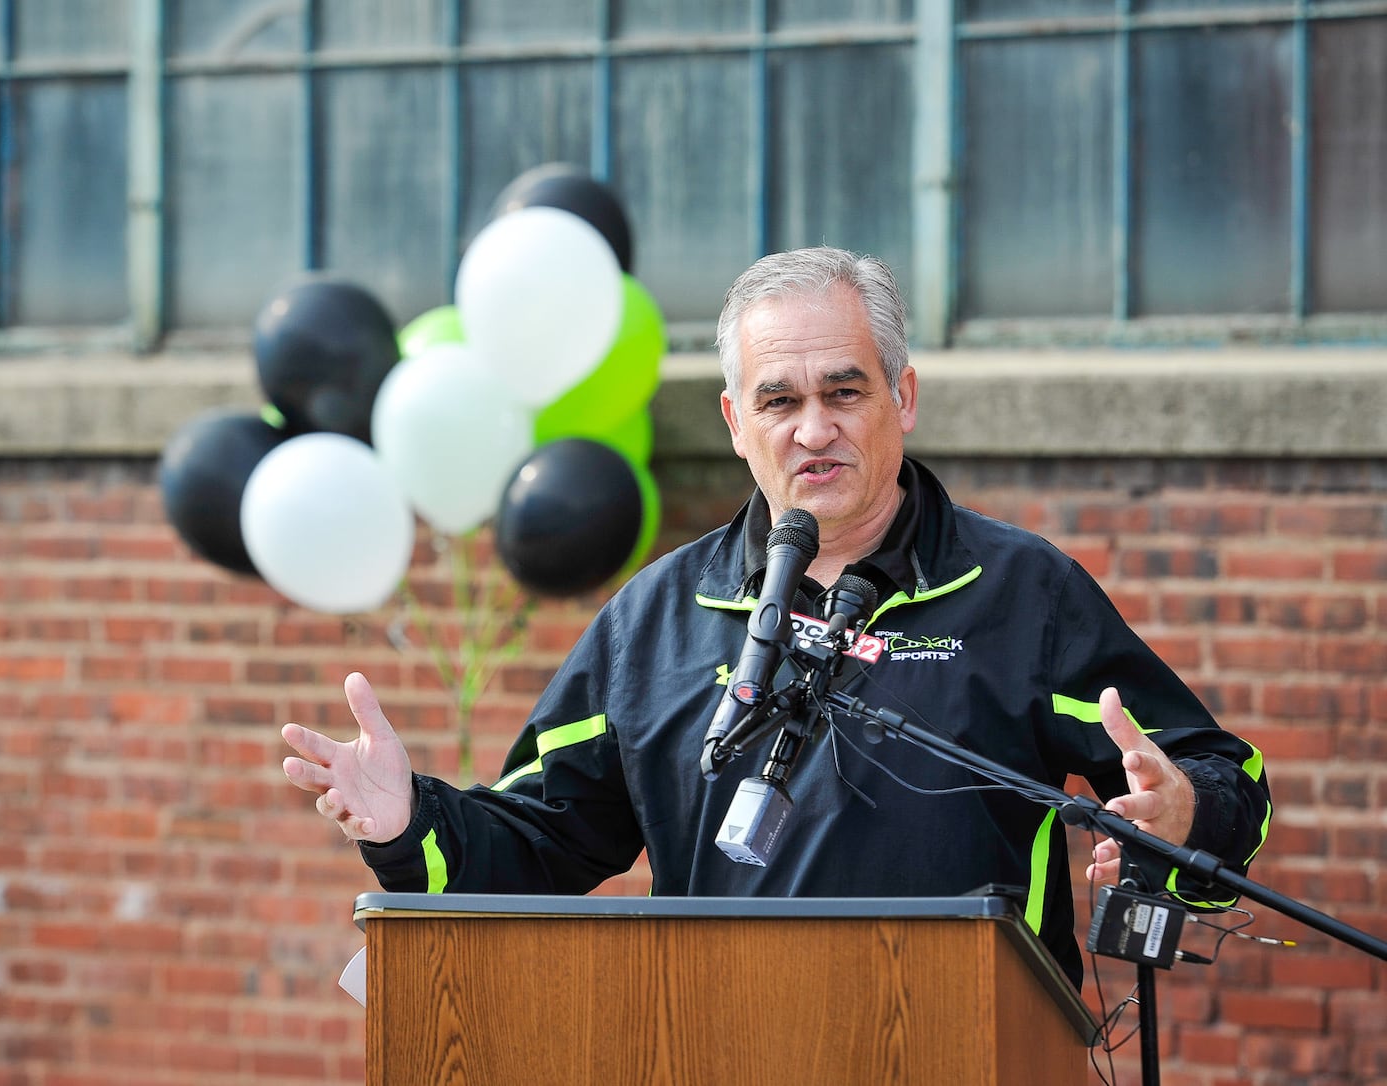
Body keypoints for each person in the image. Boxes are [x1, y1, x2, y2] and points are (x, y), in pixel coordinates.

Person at [281, 246, 1271, 986]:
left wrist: (1182, 812)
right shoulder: (659, 618)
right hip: (718, 1039)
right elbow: (542, 840)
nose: (813, 428)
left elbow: (1227, 779)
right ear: (733, 422)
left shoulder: (1023, 593)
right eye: (779, 398)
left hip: (974, 1045)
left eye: (844, 390)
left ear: (903, 396)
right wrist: (408, 819)